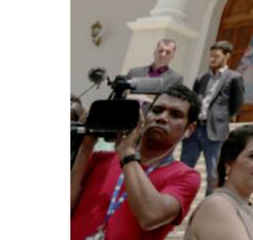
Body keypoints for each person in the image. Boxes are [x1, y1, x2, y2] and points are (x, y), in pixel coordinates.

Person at [71, 85, 203, 240]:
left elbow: (150, 216)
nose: (162, 118)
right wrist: (86, 146)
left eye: (175, 115)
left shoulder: (186, 176)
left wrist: (128, 152)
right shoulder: (101, 159)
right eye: (157, 110)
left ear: (190, 129)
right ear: (145, 116)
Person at [182, 40, 245, 194]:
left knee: (214, 174)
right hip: (194, 130)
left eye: (216, 56)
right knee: (183, 170)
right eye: (210, 55)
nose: (211, 59)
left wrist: (222, 118)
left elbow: (237, 104)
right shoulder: (201, 78)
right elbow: (193, 101)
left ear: (227, 56)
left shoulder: (234, 77)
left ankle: (210, 204)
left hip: (215, 131)